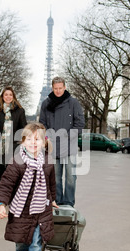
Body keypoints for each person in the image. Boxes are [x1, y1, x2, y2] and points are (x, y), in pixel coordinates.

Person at [0, 122, 58, 251]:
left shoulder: (48, 160)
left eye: (37, 139)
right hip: (21, 209)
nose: (33, 142)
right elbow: (6, 183)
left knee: (37, 242)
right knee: (21, 242)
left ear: (44, 142)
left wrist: (52, 200)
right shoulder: (17, 161)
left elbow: (51, 182)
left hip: (41, 208)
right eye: (29, 139)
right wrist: (2, 204)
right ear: (23, 141)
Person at [39, 76, 85, 207]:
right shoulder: (46, 104)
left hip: (70, 146)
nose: (58, 91)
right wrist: (48, 137)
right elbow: (42, 124)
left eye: (60, 88)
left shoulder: (73, 103)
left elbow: (80, 122)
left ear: (65, 87)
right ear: (52, 88)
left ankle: (69, 203)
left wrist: (68, 136)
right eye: (55, 88)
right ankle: (57, 202)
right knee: (56, 178)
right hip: (53, 147)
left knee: (71, 177)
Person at [0, 86, 27, 182]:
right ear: (2, 96)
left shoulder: (20, 111)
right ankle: (2, 196)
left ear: (13, 96)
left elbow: (23, 130)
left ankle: (13, 197)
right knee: (1, 178)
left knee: (14, 178)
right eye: (6, 94)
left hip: (14, 150)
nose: (8, 97)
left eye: (10, 95)